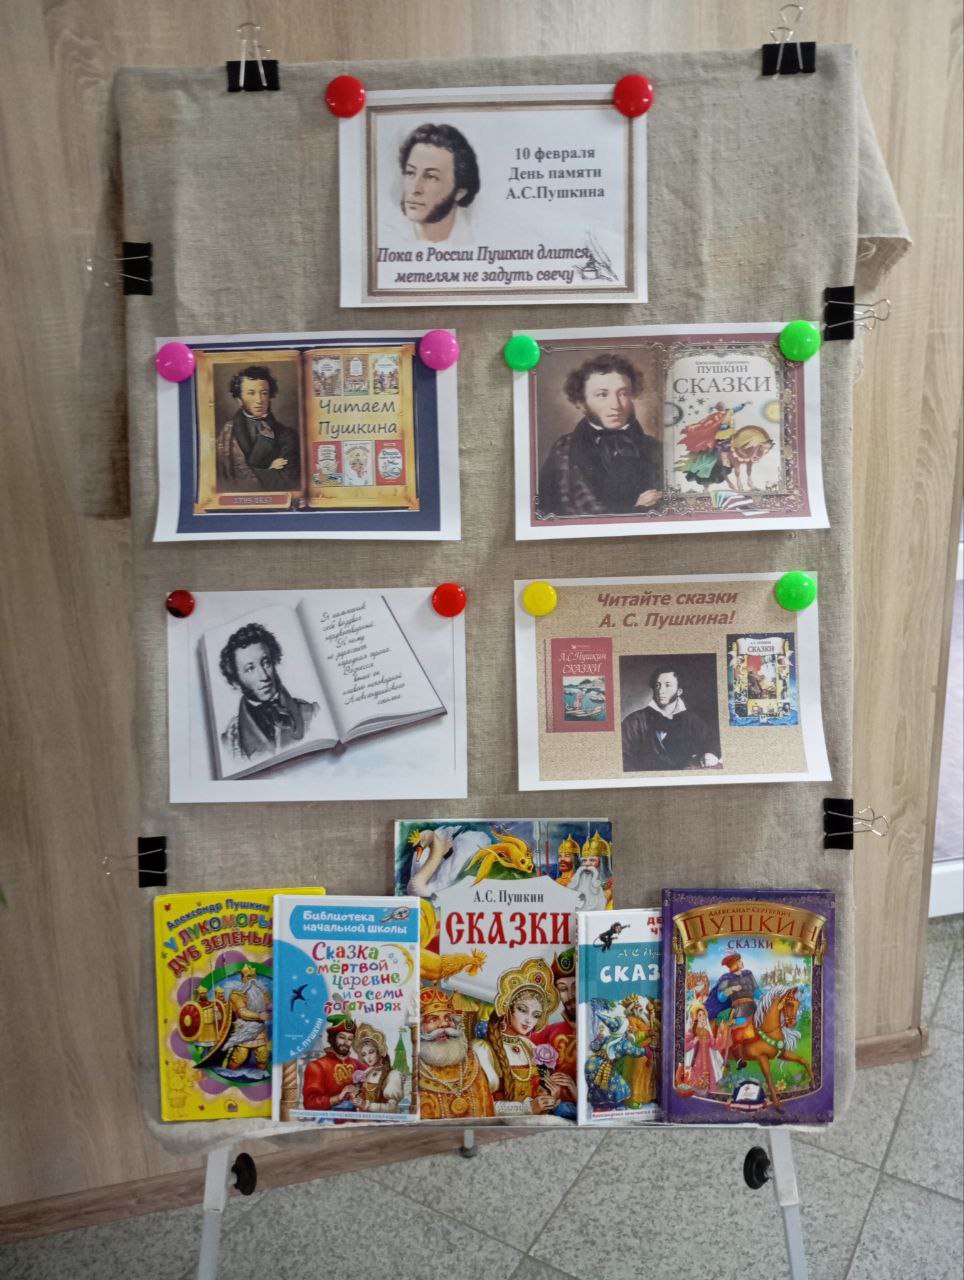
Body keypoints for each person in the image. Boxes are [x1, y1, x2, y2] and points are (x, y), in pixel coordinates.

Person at [537, 354, 663, 518]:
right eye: (602, 395)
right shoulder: (563, 449)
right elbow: (547, 513)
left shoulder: (655, 448)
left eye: (623, 393)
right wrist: (634, 509)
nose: (615, 405)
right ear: (581, 403)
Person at [218, 622, 319, 761]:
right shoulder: (229, 742)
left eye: (266, 663)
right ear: (236, 682)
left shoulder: (311, 713)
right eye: (250, 669)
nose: (264, 676)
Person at [475, 958, 561, 1114]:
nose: (529, 1020)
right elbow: (481, 1105)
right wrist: (527, 1108)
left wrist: (549, 1097)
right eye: (522, 1010)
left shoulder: (529, 1047)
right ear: (508, 1008)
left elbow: (538, 1095)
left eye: (536, 1015)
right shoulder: (483, 1049)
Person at [216, 365, 301, 492]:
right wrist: (268, 469)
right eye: (251, 393)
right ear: (239, 399)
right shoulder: (227, 433)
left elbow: (287, 482)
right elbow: (224, 481)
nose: (259, 400)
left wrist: (254, 471)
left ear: (270, 396)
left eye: (264, 393)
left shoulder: (287, 435)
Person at [621, 666, 721, 772]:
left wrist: (711, 753)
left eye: (667, 685)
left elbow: (711, 741)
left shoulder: (692, 720)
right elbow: (623, 758)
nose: (660, 690)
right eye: (657, 685)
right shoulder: (633, 721)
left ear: (679, 691)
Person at [416, 987, 495, 1119]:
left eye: (448, 1018)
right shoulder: (409, 1069)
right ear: (418, 1027)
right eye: (433, 1020)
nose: (443, 1024)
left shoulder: (472, 1061)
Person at [397, 122, 480, 244]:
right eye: (410, 173)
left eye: (431, 177)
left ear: (459, 192)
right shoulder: (389, 233)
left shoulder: (476, 238)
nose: (415, 189)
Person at [528, 949, 579, 1118]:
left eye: (576, 987)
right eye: (563, 989)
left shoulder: (605, 1032)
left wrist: (577, 1093)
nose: (570, 995)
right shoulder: (551, 1031)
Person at [706, 952, 761, 1063]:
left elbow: (756, 991)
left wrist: (767, 997)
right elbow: (721, 998)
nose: (741, 962)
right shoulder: (726, 978)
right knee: (736, 1028)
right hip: (739, 1009)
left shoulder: (748, 974)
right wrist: (730, 990)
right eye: (739, 961)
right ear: (733, 964)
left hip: (753, 1007)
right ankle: (733, 1055)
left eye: (740, 960)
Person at [302, 1016, 364, 1111]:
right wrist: (338, 1098)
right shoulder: (317, 1066)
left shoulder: (357, 1064)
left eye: (350, 1039)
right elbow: (310, 1103)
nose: (346, 1042)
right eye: (341, 1037)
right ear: (332, 1038)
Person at [219, 964, 271, 1072]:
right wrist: (259, 1016)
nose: (252, 980)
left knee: (263, 1055)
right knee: (240, 1055)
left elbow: (269, 1006)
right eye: (248, 977)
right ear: (243, 978)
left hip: (259, 1030)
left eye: (253, 977)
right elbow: (242, 1012)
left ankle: (261, 1075)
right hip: (244, 1029)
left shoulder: (262, 993)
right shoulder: (236, 994)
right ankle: (229, 1074)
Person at [353, 1024, 405, 1114]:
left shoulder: (393, 1075)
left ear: (379, 1051)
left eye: (371, 1052)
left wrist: (366, 1105)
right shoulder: (367, 1073)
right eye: (364, 1054)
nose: (368, 1058)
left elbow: (392, 1108)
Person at [681, 1002, 726, 1092]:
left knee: (707, 1085)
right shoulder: (692, 1032)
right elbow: (684, 1047)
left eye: (703, 1014)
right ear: (696, 1017)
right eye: (700, 1015)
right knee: (695, 1085)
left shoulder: (707, 1032)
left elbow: (715, 1045)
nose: (702, 1017)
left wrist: (720, 1032)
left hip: (708, 1063)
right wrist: (694, 1041)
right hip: (696, 1063)